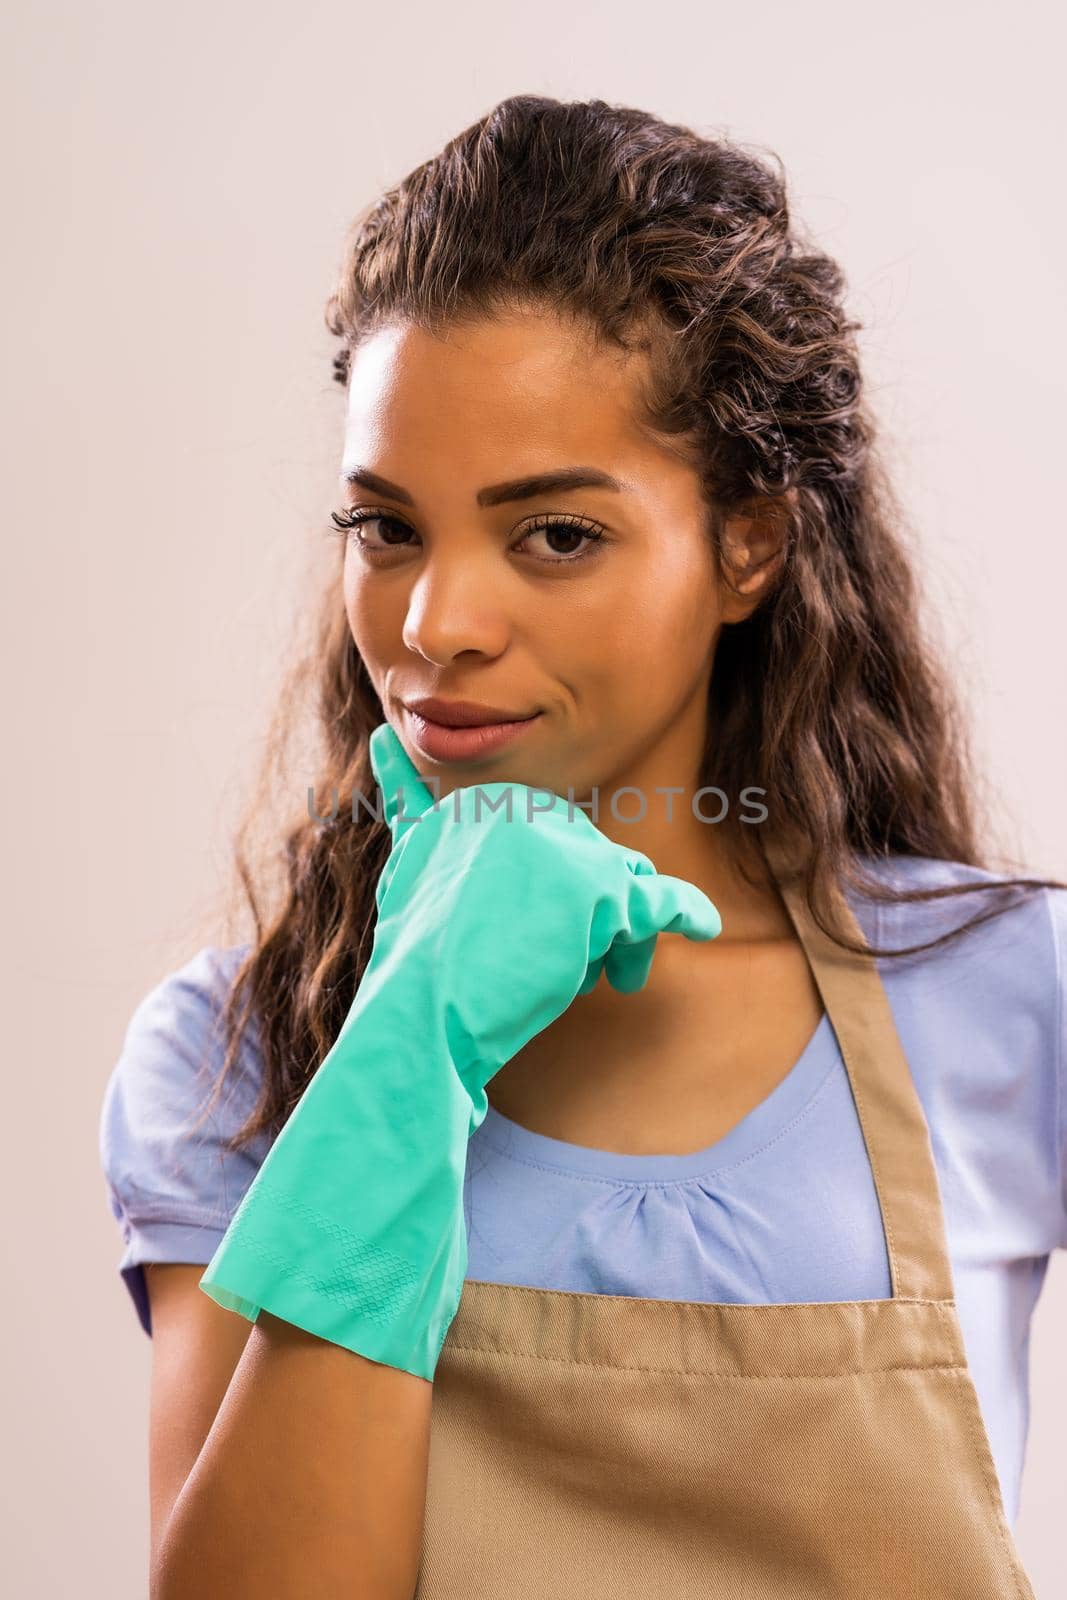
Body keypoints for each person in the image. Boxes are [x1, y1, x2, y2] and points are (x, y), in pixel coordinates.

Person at [98, 94, 1066, 1598]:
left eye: (553, 534)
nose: (433, 627)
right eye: (388, 529)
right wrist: (405, 1044)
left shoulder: (1009, 992)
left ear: (749, 545)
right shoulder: (241, 1061)